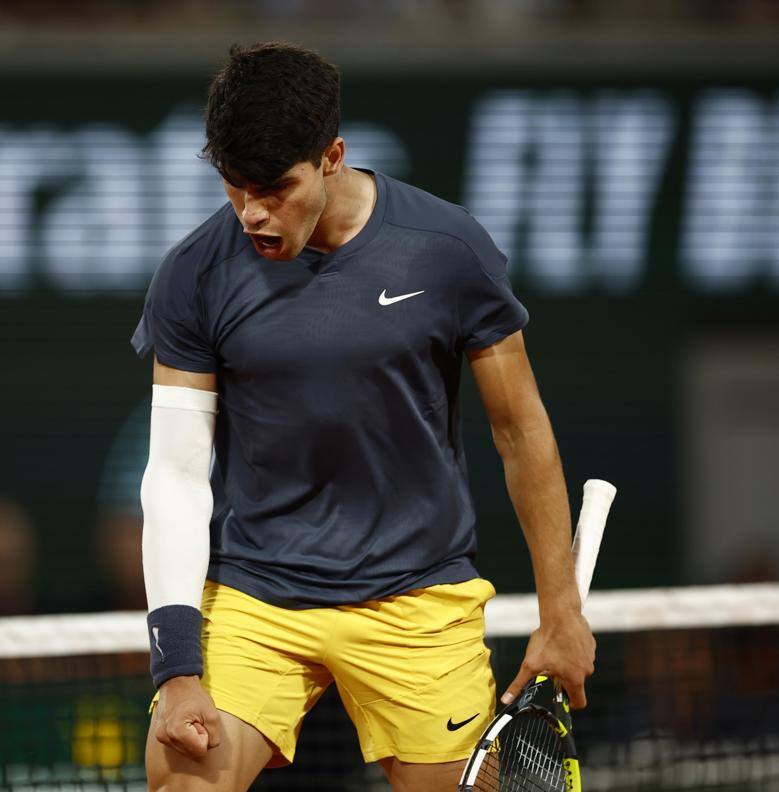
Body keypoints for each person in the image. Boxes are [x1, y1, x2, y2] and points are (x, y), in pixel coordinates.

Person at [131, 42, 595, 792]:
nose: (252, 212)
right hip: (256, 596)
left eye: (276, 188)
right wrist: (177, 666)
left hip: (415, 596)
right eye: (234, 185)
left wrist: (560, 612)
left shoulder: (446, 249)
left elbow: (519, 431)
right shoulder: (194, 273)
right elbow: (178, 475)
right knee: (182, 777)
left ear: (332, 157)